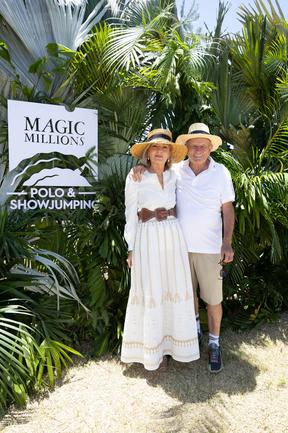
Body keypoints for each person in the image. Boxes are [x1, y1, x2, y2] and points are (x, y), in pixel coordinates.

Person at [132, 123, 235, 373]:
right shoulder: (176, 171)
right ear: (186, 148)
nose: (198, 150)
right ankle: (195, 332)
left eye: (203, 146)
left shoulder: (221, 173)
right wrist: (139, 169)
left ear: (210, 148)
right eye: (193, 146)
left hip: (210, 249)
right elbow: (155, 175)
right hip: (176, 249)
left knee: (213, 300)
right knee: (186, 298)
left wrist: (227, 242)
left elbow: (228, 209)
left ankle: (214, 344)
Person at [121, 128, 200, 371]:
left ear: (170, 153)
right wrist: (131, 247)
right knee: (152, 289)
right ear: (147, 152)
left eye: (164, 147)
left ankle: (175, 348)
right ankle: (152, 352)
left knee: (173, 287)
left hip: (172, 236)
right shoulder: (135, 177)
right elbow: (130, 213)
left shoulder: (176, 174)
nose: (159, 151)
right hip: (147, 237)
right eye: (154, 147)